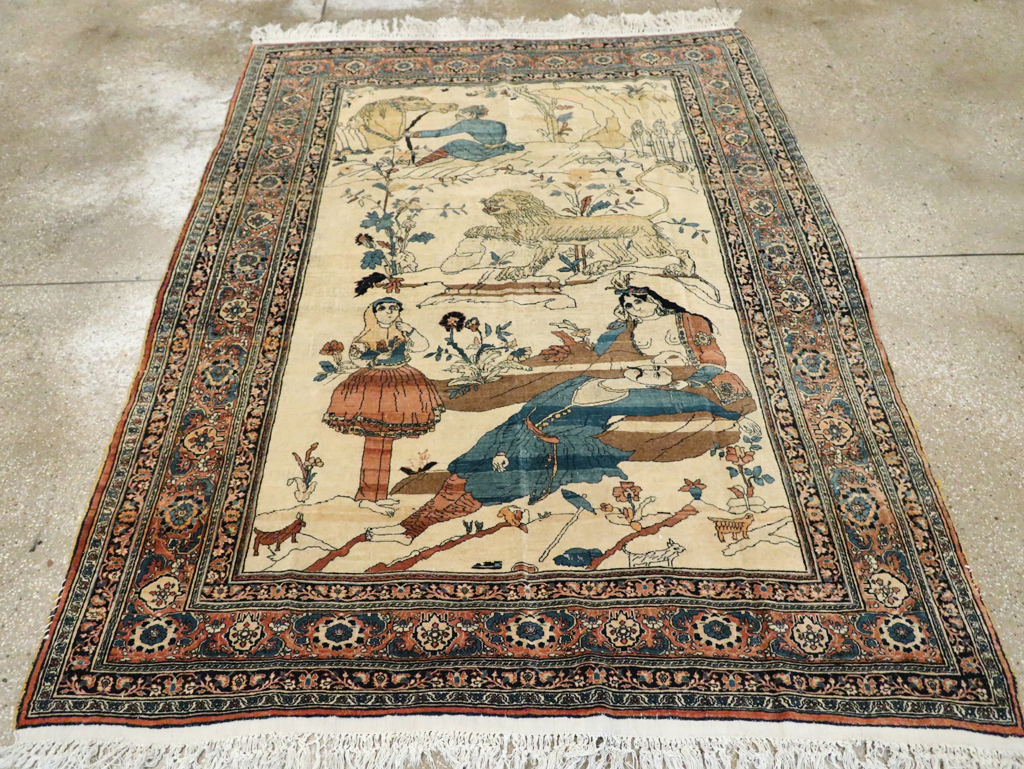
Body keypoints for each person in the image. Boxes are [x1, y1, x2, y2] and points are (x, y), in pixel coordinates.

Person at [366, 365, 741, 544]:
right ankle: (407, 529)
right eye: (652, 366)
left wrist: (721, 410)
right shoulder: (587, 378)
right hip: (511, 430)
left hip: (541, 451)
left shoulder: (634, 399)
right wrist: (502, 443)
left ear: (656, 388)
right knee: (457, 478)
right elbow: (534, 402)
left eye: (657, 375)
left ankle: (410, 531)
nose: (650, 370)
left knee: (478, 492)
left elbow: (679, 402)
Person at [324, 298, 444, 502]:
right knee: (374, 439)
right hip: (373, 385)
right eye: (383, 309)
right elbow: (356, 357)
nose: (388, 312)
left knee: (386, 439)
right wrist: (375, 359)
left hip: (402, 383)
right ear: (374, 313)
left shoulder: (403, 332)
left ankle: (378, 496)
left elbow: (422, 346)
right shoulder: (367, 335)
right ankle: (367, 495)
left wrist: (411, 331)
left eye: (393, 308)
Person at [595, 286, 752, 406]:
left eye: (638, 301)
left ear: (654, 301)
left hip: (699, 380)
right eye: (628, 306)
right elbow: (608, 352)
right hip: (654, 381)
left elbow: (715, 359)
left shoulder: (690, 321)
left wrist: (690, 382)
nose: (635, 308)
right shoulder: (631, 331)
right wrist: (622, 324)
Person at [408, 105, 524, 166]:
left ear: (472, 115)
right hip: (505, 147)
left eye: (463, 113)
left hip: (485, 152)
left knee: (454, 144)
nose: (459, 115)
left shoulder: (465, 124)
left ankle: (422, 162)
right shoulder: (497, 123)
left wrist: (417, 134)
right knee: (460, 143)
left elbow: (440, 133)